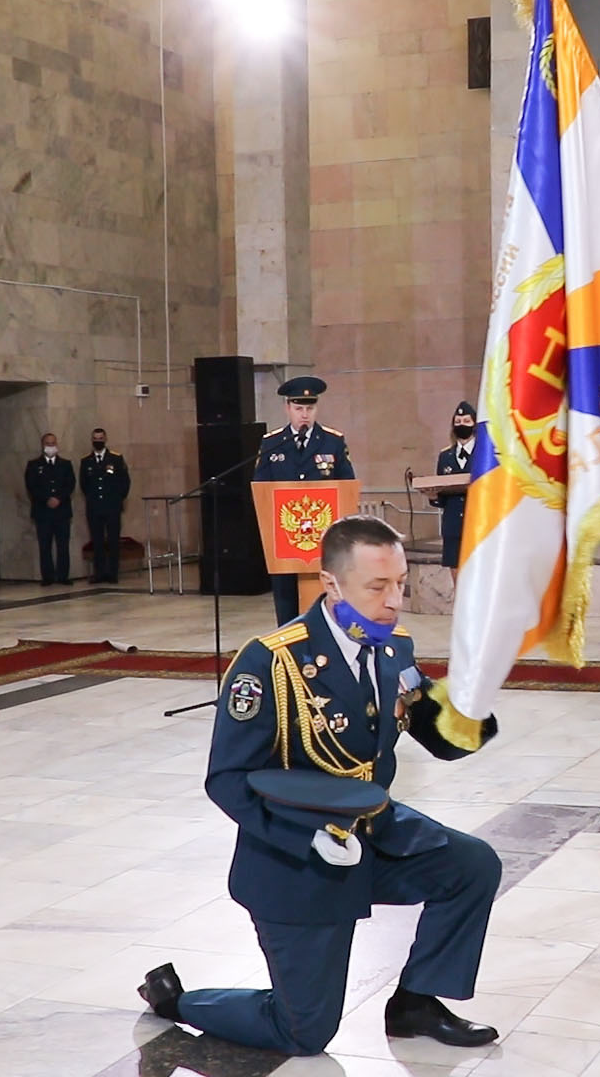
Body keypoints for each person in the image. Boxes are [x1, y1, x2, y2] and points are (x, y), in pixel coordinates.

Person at [137, 515, 502, 1055]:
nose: (394, 600)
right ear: (332, 584)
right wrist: (307, 838)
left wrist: (473, 697)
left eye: (400, 582)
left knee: (473, 865)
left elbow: (442, 741)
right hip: (299, 858)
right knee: (304, 1032)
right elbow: (227, 780)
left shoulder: (391, 647)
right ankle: (177, 1002)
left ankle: (416, 1003)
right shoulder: (271, 662)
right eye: (378, 586)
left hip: (376, 833)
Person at [254, 376, 356, 624]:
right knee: (286, 604)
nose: (304, 415)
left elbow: (347, 486)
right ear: (287, 408)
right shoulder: (272, 443)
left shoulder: (333, 441)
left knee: (324, 603)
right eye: (299, 409)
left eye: (309, 408)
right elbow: (260, 489)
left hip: (322, 541)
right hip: (285, 541)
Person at [431, 402, 477, 584]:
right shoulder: (445, 456)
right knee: (458, 579)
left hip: (478, 523)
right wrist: (433, 496)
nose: (462, 425)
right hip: (453, 525)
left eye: (466, 421)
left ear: (475, 424)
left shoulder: (485, 455)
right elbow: (441, 498)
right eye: (458, 421)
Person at [80, 427, 131, 583]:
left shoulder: (116, 458)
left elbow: (125, 482)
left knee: (113, 541)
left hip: (112, 507)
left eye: (101, 438)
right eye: (95, 438)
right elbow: (84, 485)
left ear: (105, 439)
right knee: (97, 541)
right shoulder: (86, 461)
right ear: (92, 440)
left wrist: (117, 499)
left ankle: (113, 573)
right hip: (94, 508)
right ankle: (99, 573)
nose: (98, 441)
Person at [25, 433, 75, 585]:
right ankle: (47, 576)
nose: (51, 446)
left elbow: (70, 484)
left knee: (63, 545)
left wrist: (58, 498)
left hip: (62, 511)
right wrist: (47, 499)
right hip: (43, 511)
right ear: (42, 445)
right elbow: (31, 486)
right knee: (45, 545)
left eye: (53, 443)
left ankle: (63, 576)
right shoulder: (34, 465)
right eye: (48, 443)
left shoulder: (65, 464)